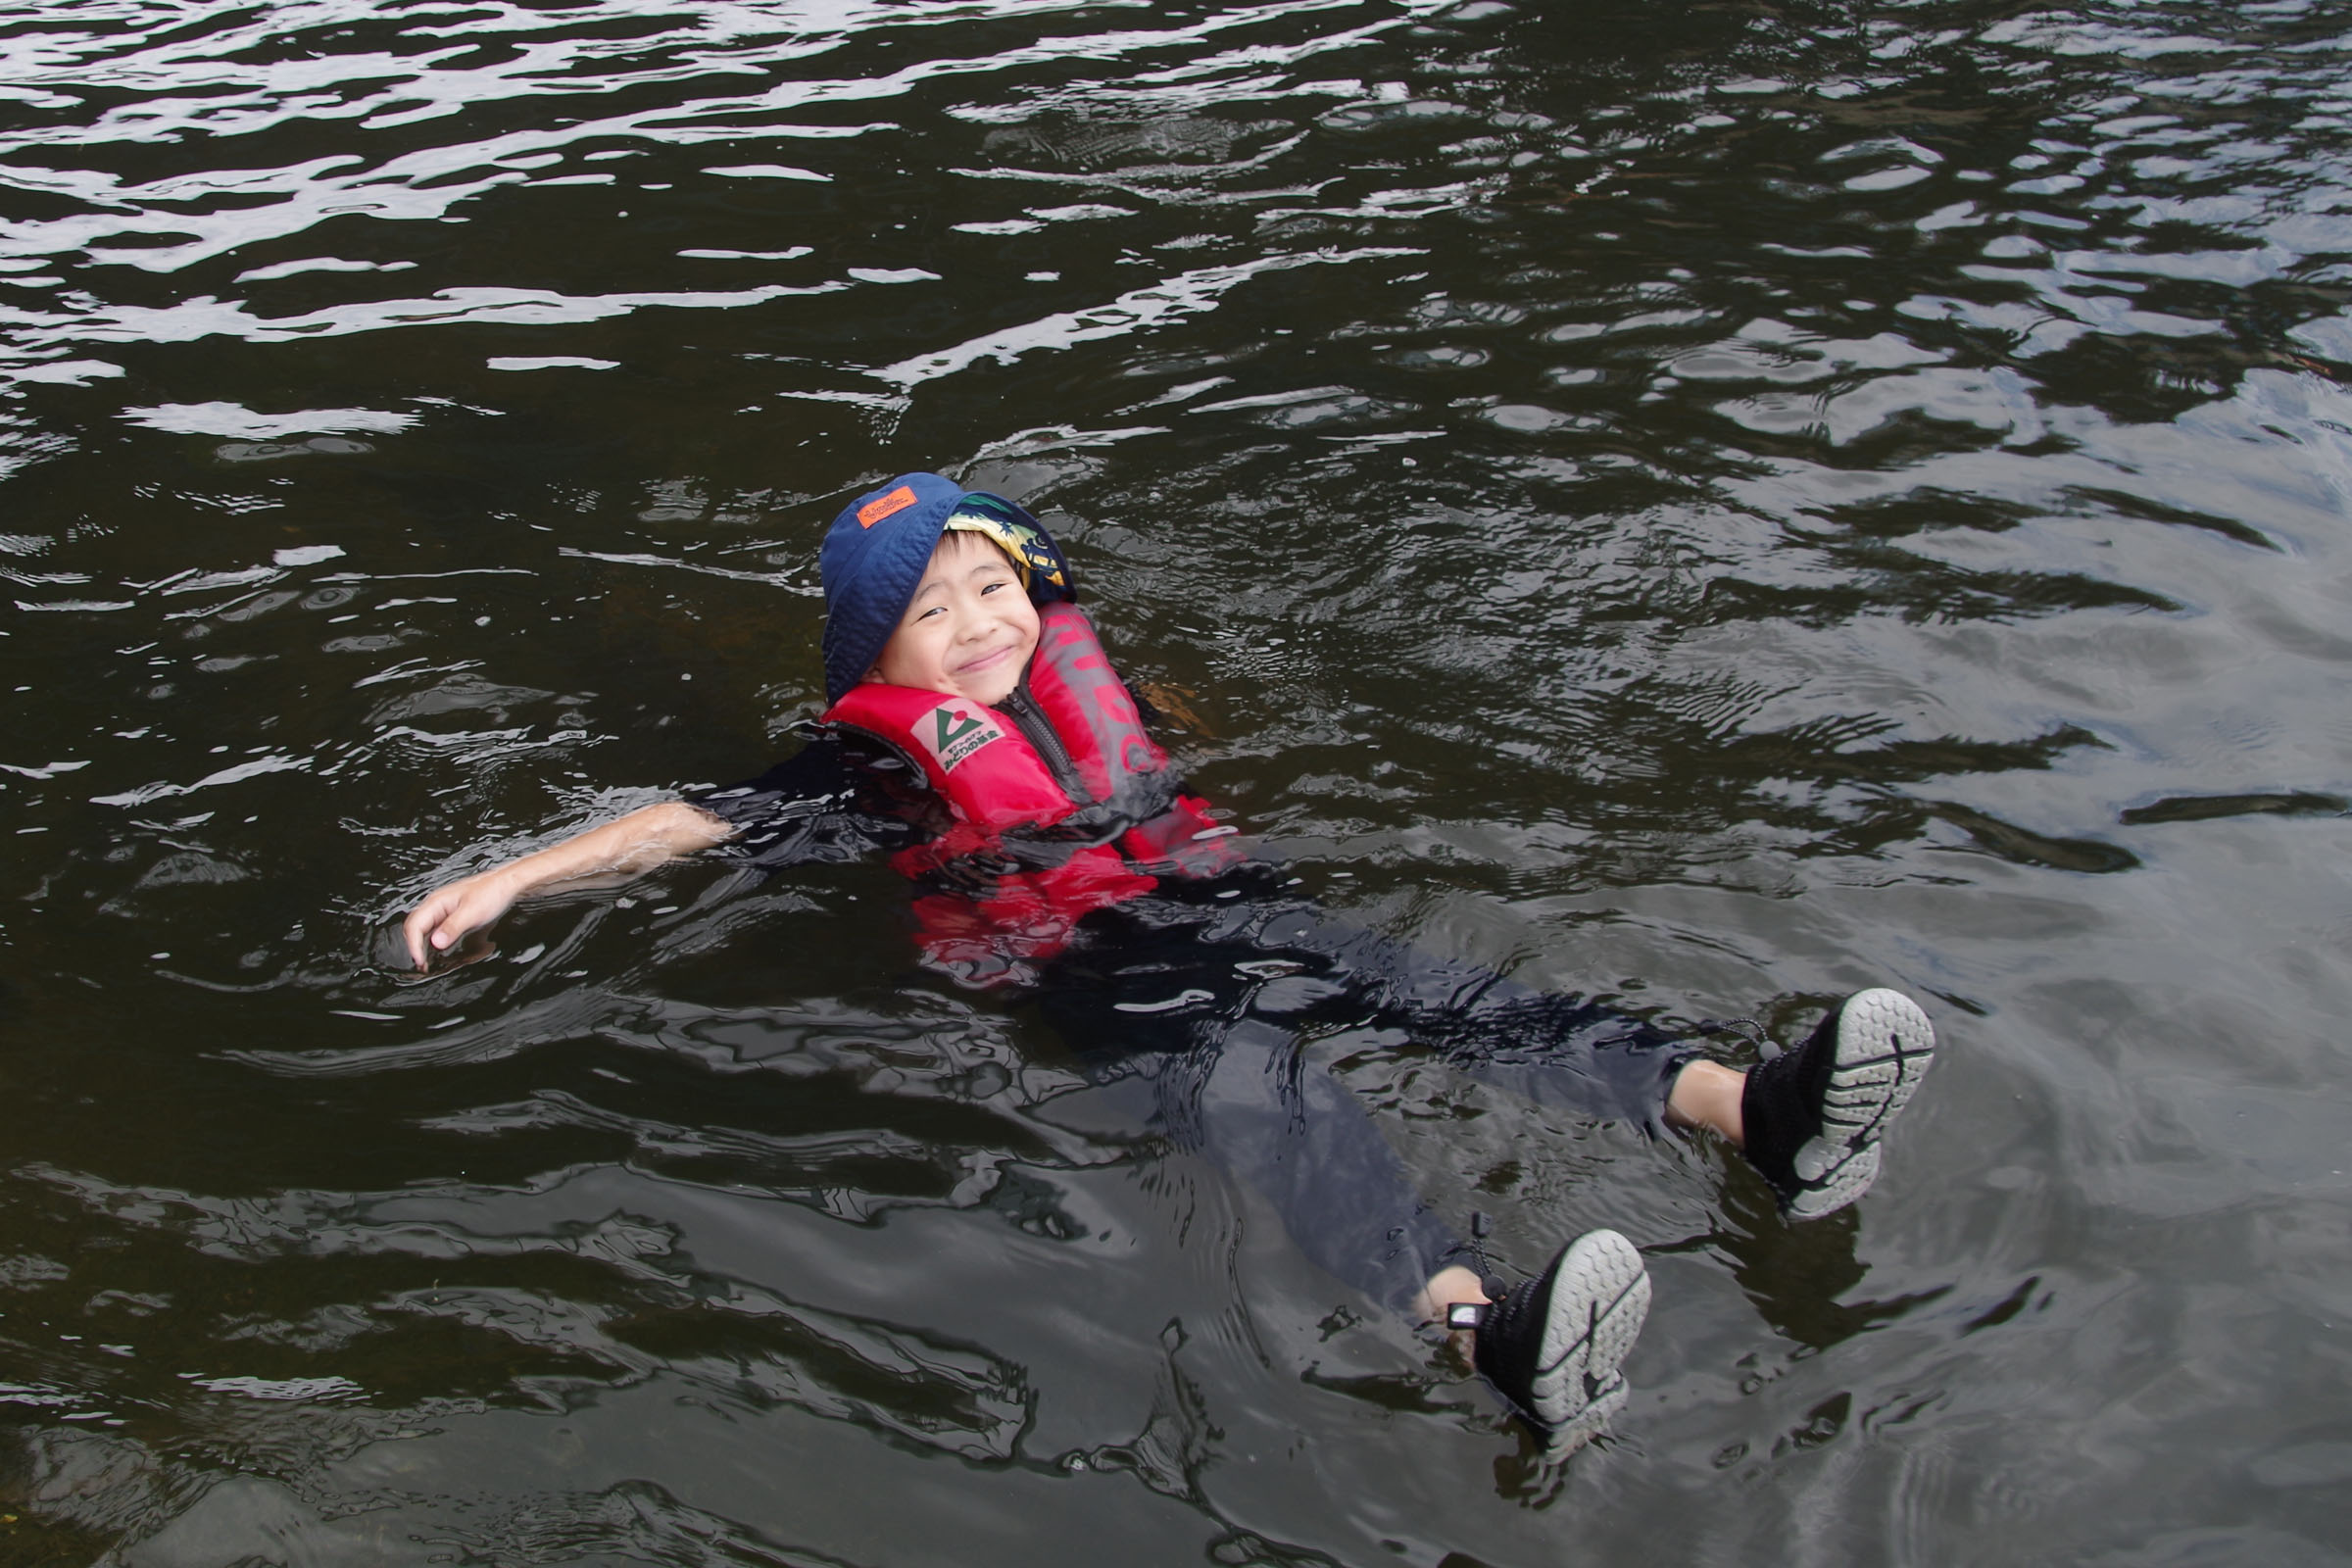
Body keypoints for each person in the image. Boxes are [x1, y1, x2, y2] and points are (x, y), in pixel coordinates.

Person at [401, 472, 1937, 1455]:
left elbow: (1134, 729)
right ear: (877, 665)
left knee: (1455, 997)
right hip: (1105, 985)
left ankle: (1755, 1111)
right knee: (1297, 1125)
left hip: (1227, 907)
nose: (979, 623)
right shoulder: (869, 773)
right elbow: (690, 822)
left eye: (994, 585)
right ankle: (1493, 1344)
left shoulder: (1082, 692)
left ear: (1034, 587)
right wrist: (510, 879)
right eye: (930, 614)